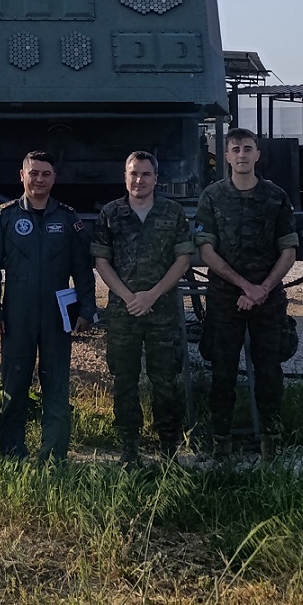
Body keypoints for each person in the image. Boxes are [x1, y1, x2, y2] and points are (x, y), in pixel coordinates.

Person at [0, 151, 95, 462]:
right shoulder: (5, 217)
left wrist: (87, 308)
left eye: (46, 173)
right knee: (14, 383)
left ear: (54, 177)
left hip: (58, 312)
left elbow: (82, 267)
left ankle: (54, 452)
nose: (39, 179)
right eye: (34, 173)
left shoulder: (68, 218)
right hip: (17, 311)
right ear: (22, 175)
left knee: (56, 383)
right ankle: (11, 451)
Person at [193, 129, 297, 462]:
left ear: (257, 154)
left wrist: (261, 289)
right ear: (225, 156)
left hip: (268, 299)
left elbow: (288, 251)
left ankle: (271, 441)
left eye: (247, 149)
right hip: (225, 298)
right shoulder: (212, 197)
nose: (241, 155)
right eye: (235, 149)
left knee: (269, 371)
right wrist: (244, 286)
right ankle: (221, 440)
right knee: (222, 371)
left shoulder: (276, 197)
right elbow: (206, 251)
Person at [91, 151, 194, 463]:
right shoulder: (110, 213)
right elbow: (101, 261)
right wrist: (128, 297)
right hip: (124, 312)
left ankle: (169, 445)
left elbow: (183, 259)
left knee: (166, 379)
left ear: (156, 178)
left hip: (162, 310)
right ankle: (129, 446)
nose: (139, 180)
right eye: (134, 173)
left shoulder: (173, 212)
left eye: (146, 174)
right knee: (124, 379)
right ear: (126, 177)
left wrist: (151, 295)